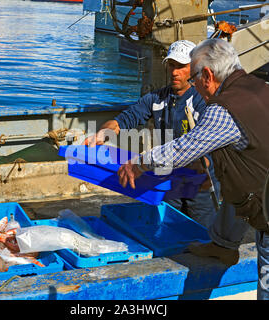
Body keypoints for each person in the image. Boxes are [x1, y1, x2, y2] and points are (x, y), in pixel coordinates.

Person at [117, 38, 269, 299]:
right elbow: (241, 158)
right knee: (238, 177)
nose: (194, 85)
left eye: (195, 77)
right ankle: (224, 245)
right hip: (259, 183)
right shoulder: (260, 87)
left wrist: (139, 163)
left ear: (207, 75)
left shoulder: (223, 110)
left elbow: (182, 148)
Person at [85, 40, 219, 229]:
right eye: (172, 65)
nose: (174, 72)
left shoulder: (204, 101)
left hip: (201, 184)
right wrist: (102, 133)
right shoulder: (156, 99)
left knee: (204, 234)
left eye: (181, 66)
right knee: (171, 229)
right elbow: (125, 119)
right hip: (168, 179)